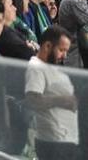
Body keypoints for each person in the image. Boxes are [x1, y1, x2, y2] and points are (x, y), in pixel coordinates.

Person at [26, 25, 79, 159]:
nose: (64, 56)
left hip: (64, 139)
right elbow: (33, 100)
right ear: (48, 46)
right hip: (52, 142)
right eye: (61, 50)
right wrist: (62, 100)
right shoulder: (36, 67)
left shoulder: (50, 66)